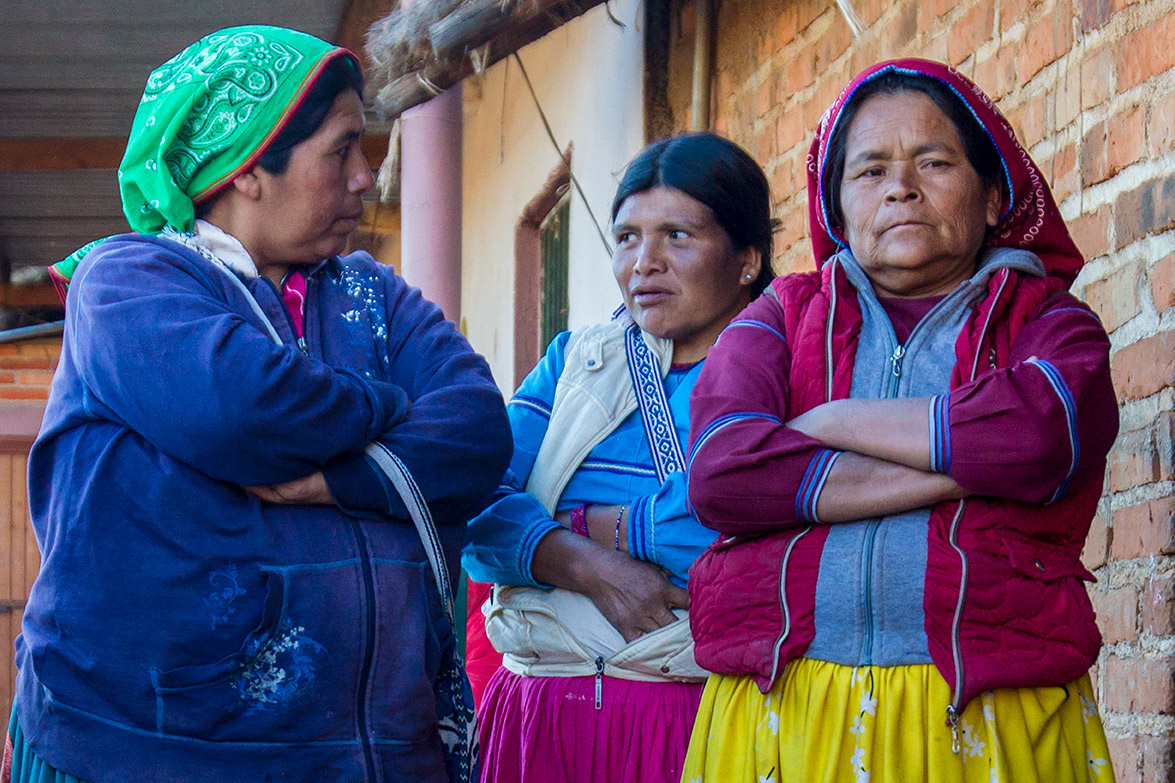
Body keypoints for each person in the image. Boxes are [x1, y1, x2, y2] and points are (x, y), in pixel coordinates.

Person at [8, 26, 511, 783]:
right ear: (247, 167)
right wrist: (386, 403)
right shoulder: (128, 282)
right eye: (341, 150)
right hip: (149, 753)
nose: (365, 178)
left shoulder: (372, 296)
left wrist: (337, 479)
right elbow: (242, 413)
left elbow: (475, 430)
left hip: (366, 752)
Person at [682, 59, 1119, 783]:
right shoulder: (782, 317)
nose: (900, 187)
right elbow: (722, 471)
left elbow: (1045, 434)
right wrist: (959, 472)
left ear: (990, 197)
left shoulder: (1047, 321)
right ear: (838, 210)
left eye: (934, 161)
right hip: (784, 709)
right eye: (869, 170)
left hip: (987, 710)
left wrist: (830, 419)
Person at [462, 133, 775, 783]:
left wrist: (565, 522)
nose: (644, 262)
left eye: (677, 236)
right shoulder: (576, 362)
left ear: (746, 258)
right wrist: (585, 564)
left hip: (696, 725)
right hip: (538, 720)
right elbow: (470, 509)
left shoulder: (787, 368)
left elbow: (736, 538)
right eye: (627, 236)